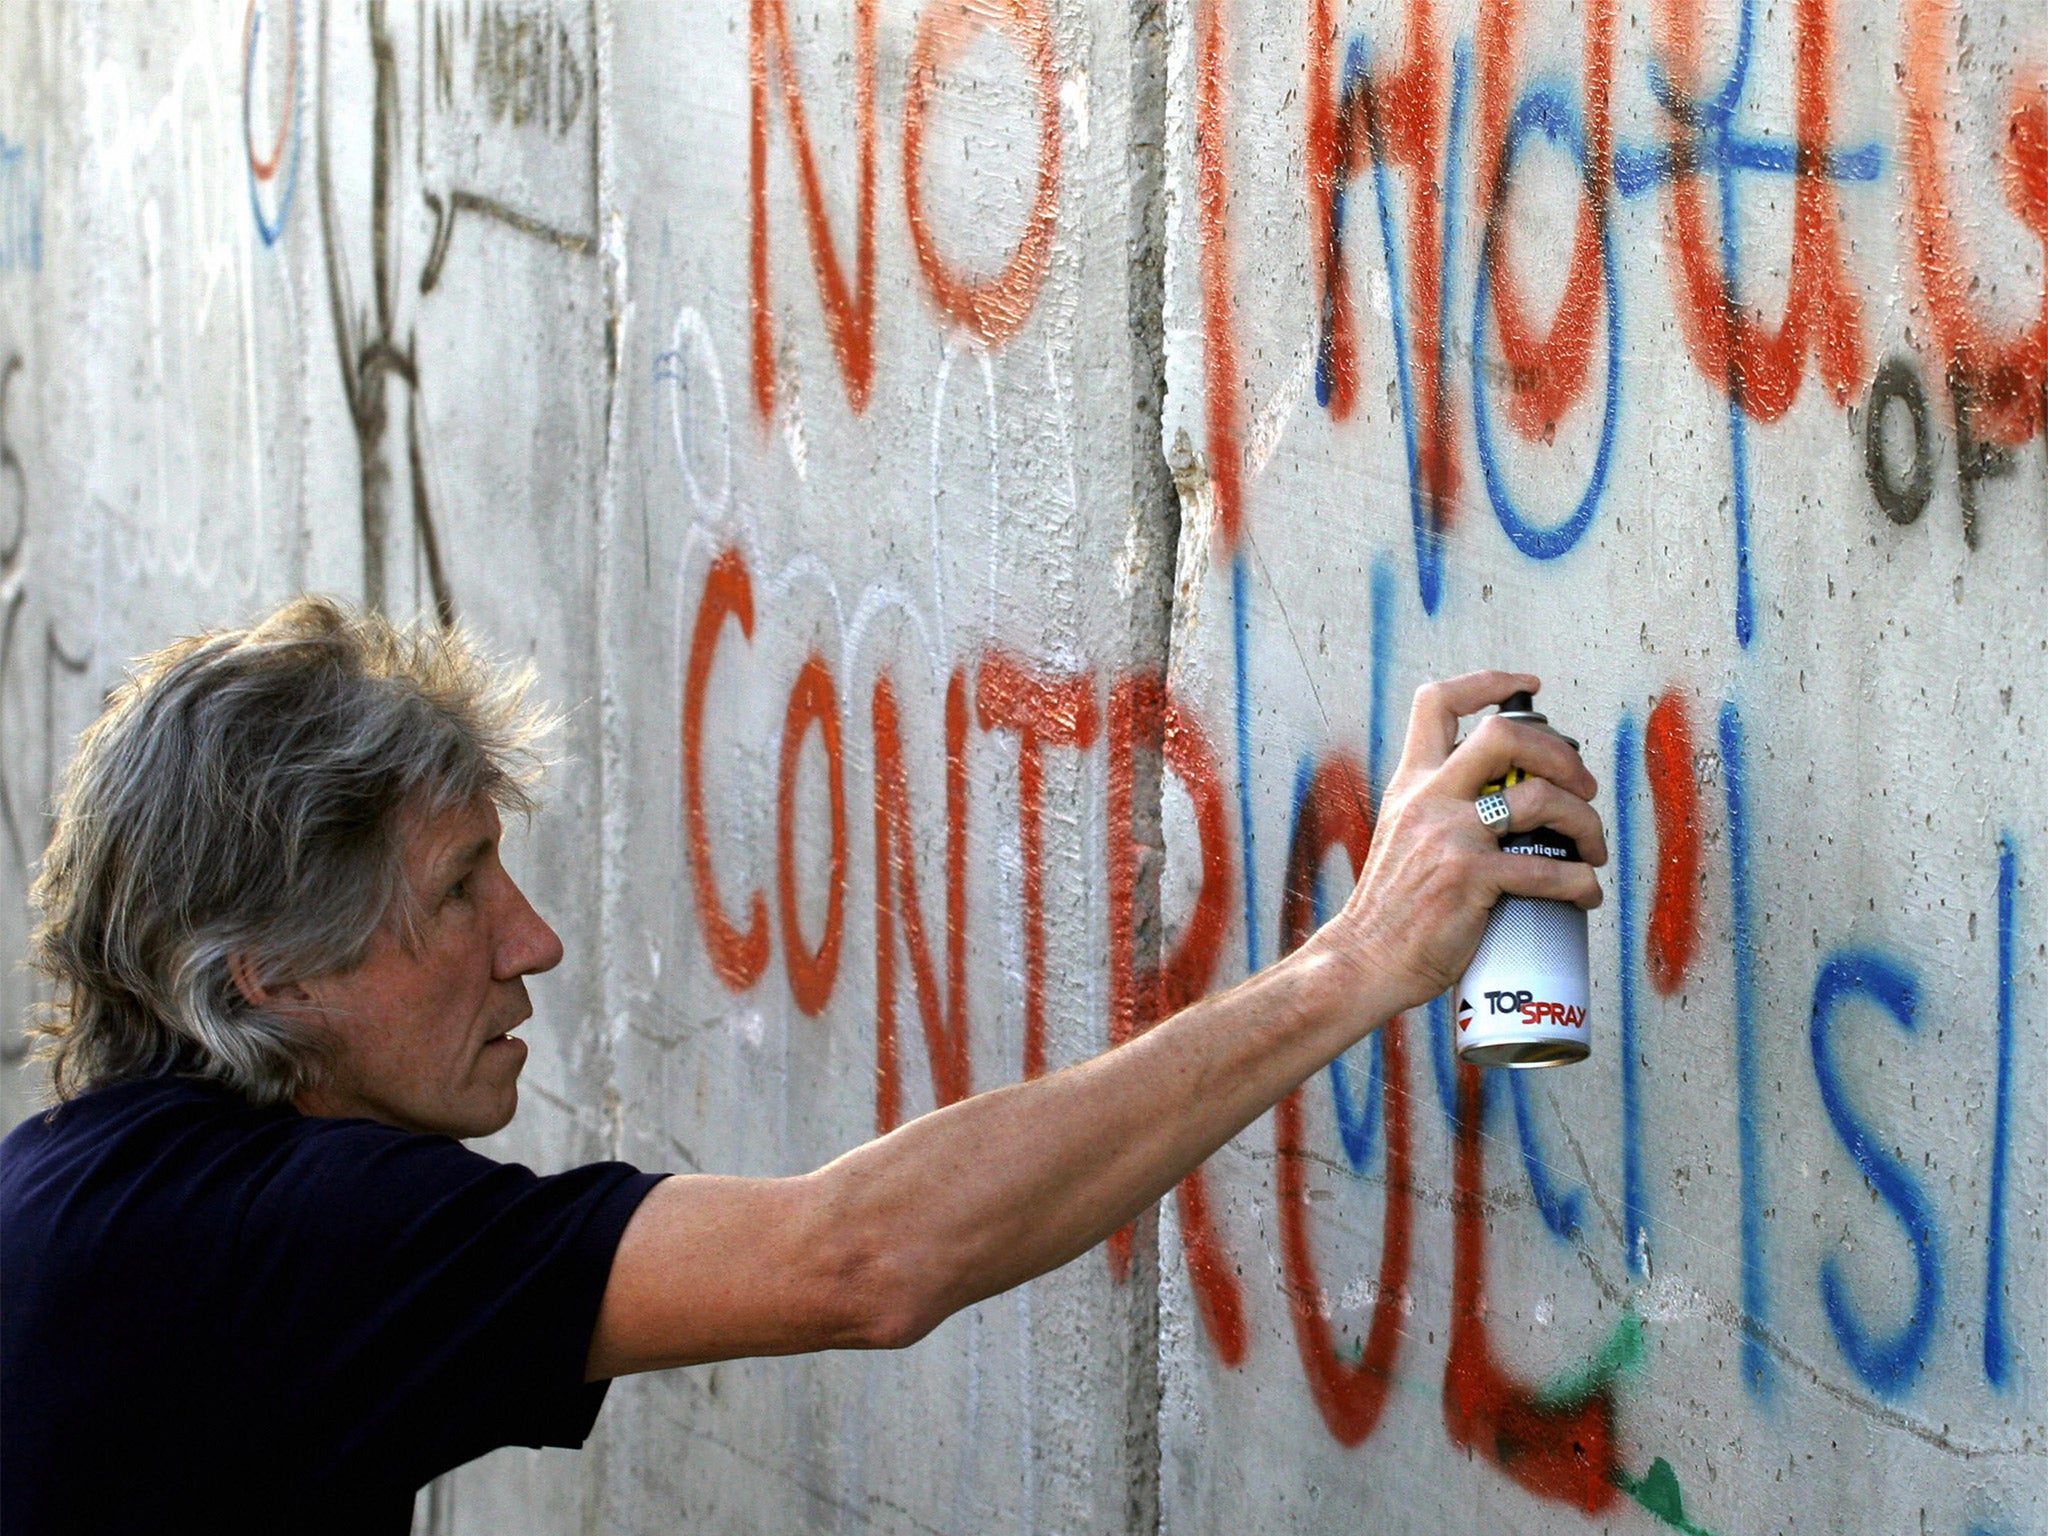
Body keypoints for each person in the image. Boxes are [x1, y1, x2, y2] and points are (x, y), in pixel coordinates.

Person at [0, 596, 1603, 1534]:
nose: (533, 939)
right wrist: (1354, 962)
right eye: (458, 892)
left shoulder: (96, 1191)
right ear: (264, 978)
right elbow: (862, 1261)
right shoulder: (273, 1243)